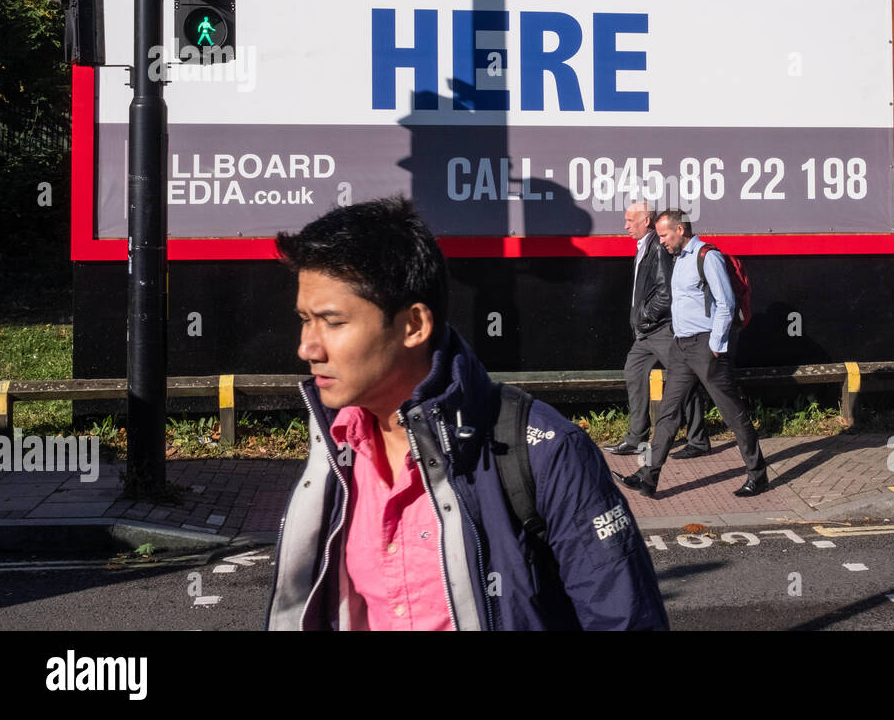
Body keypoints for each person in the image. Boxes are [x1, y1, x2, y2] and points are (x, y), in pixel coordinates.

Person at [266, 196, 668, 631]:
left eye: (332, 321)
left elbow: (625, 619)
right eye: (305, 319)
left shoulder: (545, 451)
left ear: (414, 325)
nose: (307, 347)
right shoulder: (334, 455)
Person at [614, 210, 769, 499]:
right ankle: (647, 477)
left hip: (705, 347)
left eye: (664, 236)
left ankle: (758, 475)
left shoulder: (706, 257)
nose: (661, 242)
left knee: (732, 414)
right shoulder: (679, 260)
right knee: (668, 415)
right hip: (681, 347)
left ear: (680, 230)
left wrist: (717, 343)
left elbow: (725, 301)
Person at [604, 201, 710, 459]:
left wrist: (645, 316)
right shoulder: (644, 247)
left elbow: (666, 293)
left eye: (631, 220)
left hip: (660, 329)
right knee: (633, 370)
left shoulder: (658, 249)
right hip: (646, 332)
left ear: (646, 221)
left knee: (683, 378)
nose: (626, 225)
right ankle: (636, 437)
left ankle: (698, 440)